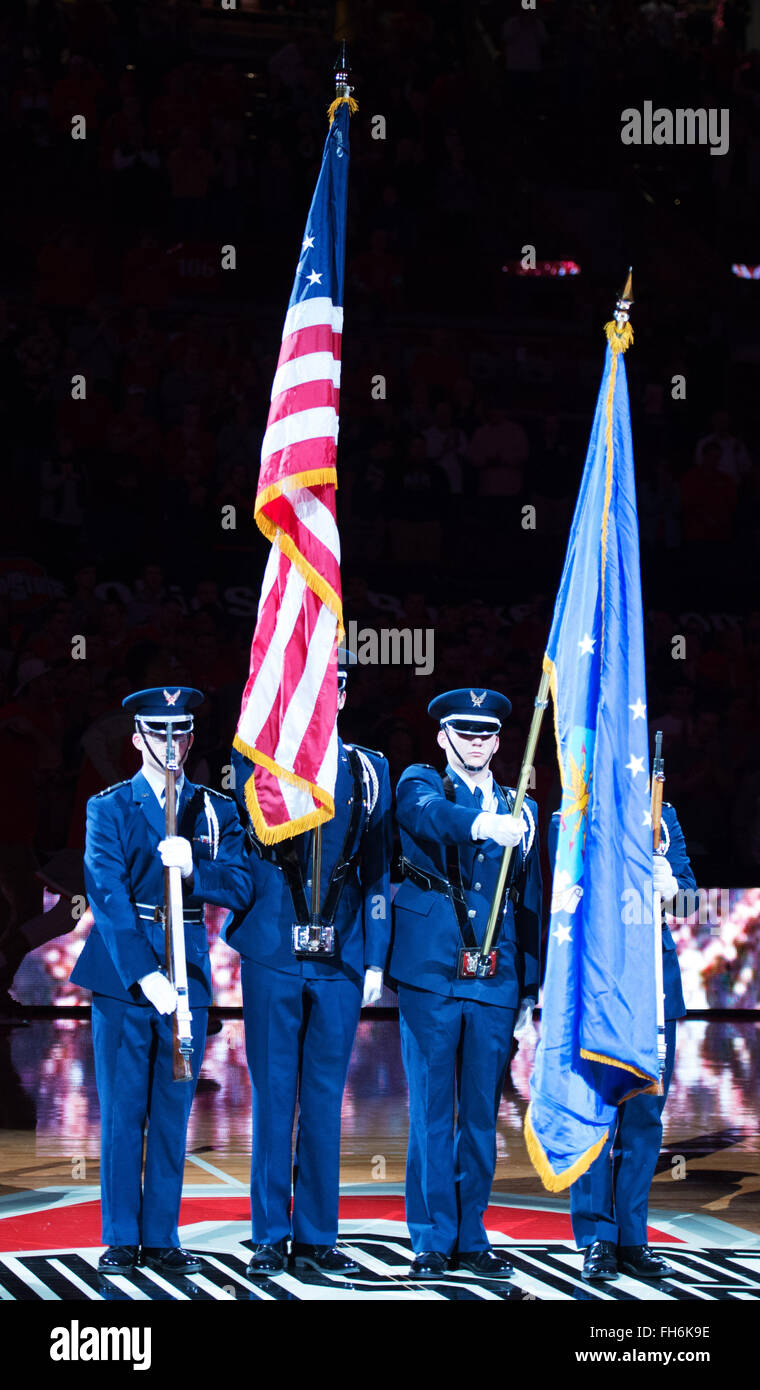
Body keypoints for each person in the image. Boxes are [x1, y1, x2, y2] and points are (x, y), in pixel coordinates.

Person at [71, 686, 253, 1276]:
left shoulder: (212, 809)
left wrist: (197, 867)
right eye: (159, 733)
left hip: (189, 976)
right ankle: (122, 1235)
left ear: (192, 738)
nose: (171, 744)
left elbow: (240, 884)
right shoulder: (111, 806)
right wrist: (144, 974)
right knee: (124, 1110)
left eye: (181, 734)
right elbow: (107, 894)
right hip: (127, 978)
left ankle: (162, 1234)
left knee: (173, 1107)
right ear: (137, 739)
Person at [227, 649, 392, 1278]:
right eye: (314, 686)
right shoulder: (262, 759)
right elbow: (250, 815)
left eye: (336, 687)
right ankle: (270, 1232)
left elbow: (376, 872)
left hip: (342, 957)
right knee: (274, 1096)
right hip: (273, 952)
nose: (327, 696)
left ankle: (318, 1234)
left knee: (325, 1099)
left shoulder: (370, 770)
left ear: (345, 695)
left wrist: (376, 957)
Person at [390, 688, 542, 1279]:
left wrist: (529, 985)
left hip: (496, 975)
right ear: (443, 737)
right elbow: (427, 818)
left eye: (486, 735)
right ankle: (430, 1237)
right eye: (465, 733)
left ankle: (471, 1236)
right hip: (431, 971)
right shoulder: (420, 782)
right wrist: (484, 824)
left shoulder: (521, 805)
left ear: (501, 742)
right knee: (433, 1110)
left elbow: (529, 899)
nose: (476, 743)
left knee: (481, 1114)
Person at [547, 801, 697, 1281]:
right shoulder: (571, 814)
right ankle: (596, 1239)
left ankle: (633, 1236)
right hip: (597, 985)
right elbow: (562, 894)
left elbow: (691, 901)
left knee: (643, 1120)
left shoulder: (663, 813)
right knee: (596, 1117)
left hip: (652, 986)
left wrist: (670, 886)